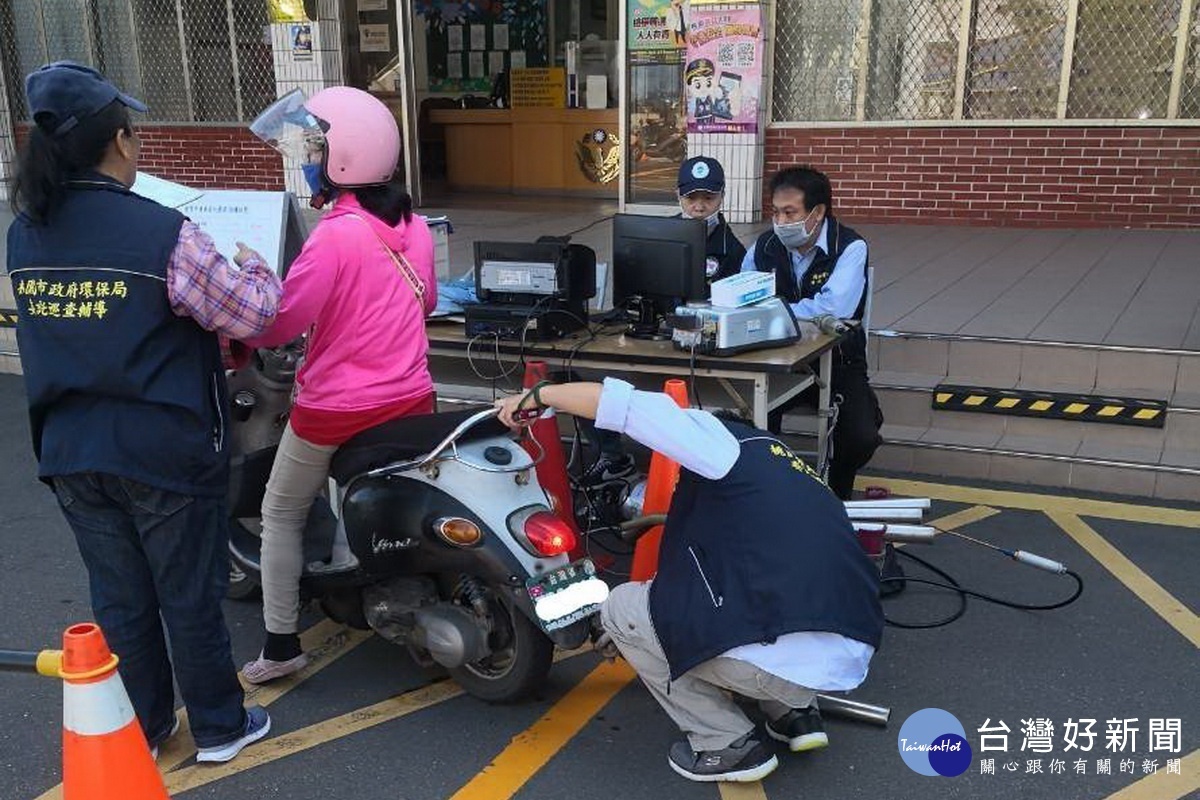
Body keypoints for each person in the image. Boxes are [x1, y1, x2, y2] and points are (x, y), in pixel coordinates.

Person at [6, 61, 279, 762]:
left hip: (71, 448)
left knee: (121, 599)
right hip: (162, 448)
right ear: (122, 142)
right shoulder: (162, 233)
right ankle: (220, 726)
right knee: (187, 593)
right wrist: (255, 266)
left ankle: (147, 726)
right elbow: (251, 315)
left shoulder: (24, 233)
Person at [497, 378, 883, 783]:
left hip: (776, 655)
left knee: (623, 609)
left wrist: (538, 396)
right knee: (761, 599)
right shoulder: (785, 464)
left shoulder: (715, 438)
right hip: (849, 646)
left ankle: (726, 743)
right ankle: (794, 714)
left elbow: (616, 403)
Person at [239, 87, 438, 683]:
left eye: (318, 146)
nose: (310, 157)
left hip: (335, 410)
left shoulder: (334, 234)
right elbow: (424, 299)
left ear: (345, 158)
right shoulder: (416, 226)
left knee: (279, 511)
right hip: (411, 399)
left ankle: (280, 645)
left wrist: (253, 269)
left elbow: (282, 321)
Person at [584, 155, 746, 484]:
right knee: (582, 369)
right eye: (692, 197)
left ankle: (687, 467)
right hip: (652, 332)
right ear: (678, 196)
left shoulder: (735, 250)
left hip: (701, 348)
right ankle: (611, 454)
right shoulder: (659, 234)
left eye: (708, 198)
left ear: (721, 197)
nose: (699, 206)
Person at [741, 165, 883, 500]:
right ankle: (765, 492)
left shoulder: (849, 246)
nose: (781, 222)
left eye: (790, 212)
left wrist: (774, 310)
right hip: (773, 359)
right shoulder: (764, 246)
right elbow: (742, 294)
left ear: (817, 212)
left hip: (837, 360)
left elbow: (834, 309)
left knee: (860, 436)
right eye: (776, 212)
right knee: (745, 420)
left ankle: (835, 496)